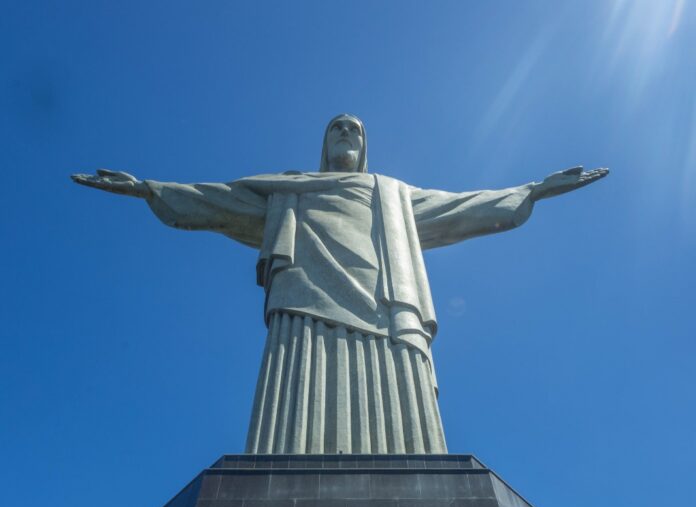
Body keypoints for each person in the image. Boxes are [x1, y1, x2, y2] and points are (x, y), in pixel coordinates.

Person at [74, 117, 607, 456]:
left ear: (366, 146)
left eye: (355, 131)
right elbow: (218, 202)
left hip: (387, 304)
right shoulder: (290, 189)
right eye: (337, 130)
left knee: (405, 417)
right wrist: (148, 189)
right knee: (294, 408)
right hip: (304, 298)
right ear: (323, 145)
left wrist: (532, 191)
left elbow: (459, 207)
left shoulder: (392, 193)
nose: (346, 136)